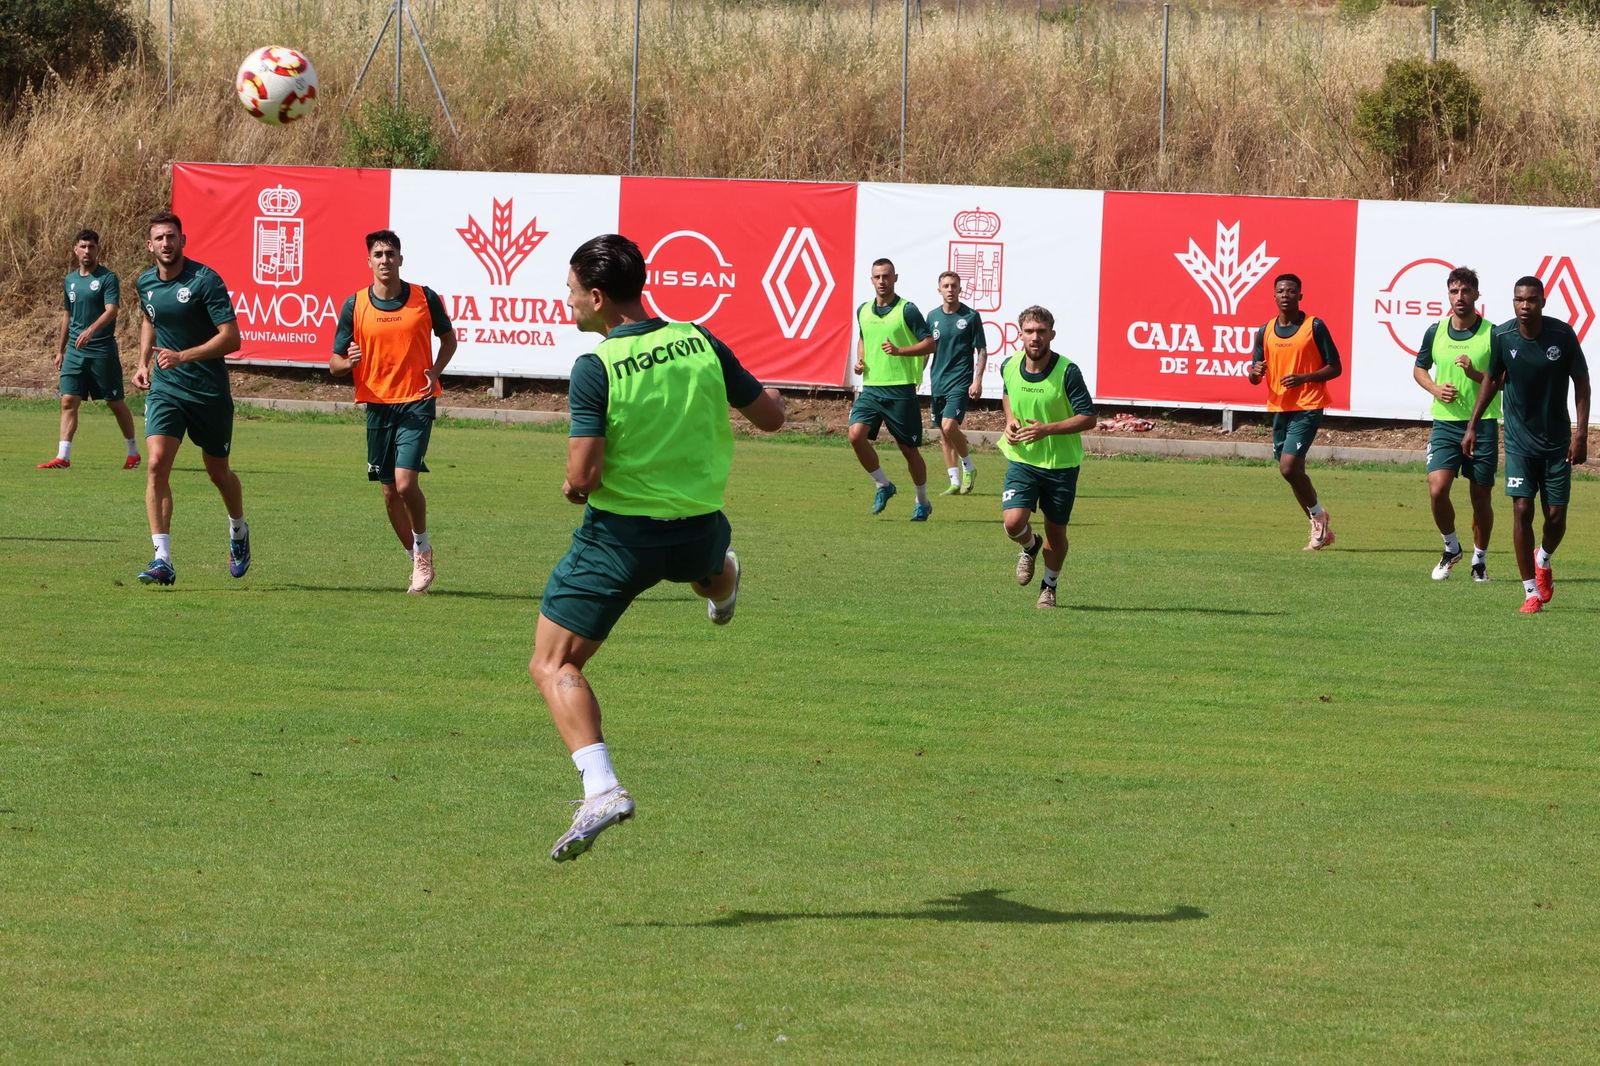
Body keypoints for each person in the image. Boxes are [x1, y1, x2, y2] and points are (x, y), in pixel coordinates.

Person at [530, 234, 786, 862]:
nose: (567, 301)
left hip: (620, 540)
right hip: (699, 529)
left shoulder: (596, 367)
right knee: (708, 571)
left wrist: (572, 485)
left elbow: (585, 476)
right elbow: (771, 417)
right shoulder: (700, 340)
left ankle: (601, 788)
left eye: (570, 291)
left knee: (553, 664)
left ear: (597, 298)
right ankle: (724, 583)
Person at [329, 229, 457, 595]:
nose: (385, 260)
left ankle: (422, 550)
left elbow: (448, 339)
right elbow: (334, 363)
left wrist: (435, 371)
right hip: (377, 405)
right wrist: (348, 362)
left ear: (401, 259)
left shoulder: (424, 298)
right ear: (368, 261)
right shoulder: (355, 305)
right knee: (389, 493)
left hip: (417, 400)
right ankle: (416, 555)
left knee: (405, 483)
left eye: (390, 253)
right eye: (378, 254)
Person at [131, 211, 247, 586]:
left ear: (183, 240)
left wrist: (183, 356)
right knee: (156, 464)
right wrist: (142, 363)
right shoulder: (145, 282)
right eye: (159, 238)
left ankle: (238, 530)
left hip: (208, 391)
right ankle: (162, 559)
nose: (166, 243)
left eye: (171, 237)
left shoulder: (204, 280)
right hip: (166, 389)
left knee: (218, 473)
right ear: (150, 245)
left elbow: (232, 338)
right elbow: (150, 318)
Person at [1462, 276, 1590, 614]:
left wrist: (1581, 434)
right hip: (1519, 442)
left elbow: (1582, 382)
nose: (1524, 305)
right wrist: (1472, 426)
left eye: (1531, 299)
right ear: (1513, 302)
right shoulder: (1502, 336)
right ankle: (1530, 592)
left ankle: (1543, 558)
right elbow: (1492, 379)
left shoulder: (1562, 335)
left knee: (1556, 518)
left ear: (1542, 302)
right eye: (1519, 299)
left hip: (1557, 442)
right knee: (1521, 509)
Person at [999, 306, 1096, 609]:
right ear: (1020, 334)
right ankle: (1030, 545)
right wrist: (1010, 420)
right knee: (1013, 523)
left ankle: (1049, 586)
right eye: (1029, 331)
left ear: (1052, 334)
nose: (1035, 337)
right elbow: (1007, 393)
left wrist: (1047, 430)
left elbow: (1089, 417)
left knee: (1056, 533)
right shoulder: (1009, 365)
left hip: (1060, 465)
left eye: (1041, 331)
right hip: (1022, 459)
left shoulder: (1067, 372)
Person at [1247, 273, 1343, 550]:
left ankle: (1318, 518)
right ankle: (1319, 522)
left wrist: (1305, 378)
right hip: (1280, 407)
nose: (1285, 295)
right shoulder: (1265, 330)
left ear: (1300, 295)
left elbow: (1335, 367)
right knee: (1291, 471)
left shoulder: (1314, 326)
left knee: (1288, 467)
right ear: (1274, 295)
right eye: (1280, 291)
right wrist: (1255, 372)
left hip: (1308, 405)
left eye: (1291, 291)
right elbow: (1254, 375)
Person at [1413, 266, 1496, 581]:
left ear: (1476, 294)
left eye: (1465, 291)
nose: (1459, 297)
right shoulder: (1435, 331)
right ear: (1448, 295)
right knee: (1437, 489)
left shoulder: (1492, 333)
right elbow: (1419, 368)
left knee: (1480, 497)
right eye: (1454, 291)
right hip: (1445, 424)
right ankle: (1451, 548)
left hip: (1483, 424)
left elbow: (1502, 380)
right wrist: (1435, 389)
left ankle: (1479, 561)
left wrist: (1474, 374)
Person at [39, 230, 140, 470]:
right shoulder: (70, 280)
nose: (87, 251)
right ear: (75, 249)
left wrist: (91, 330)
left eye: (91, 246)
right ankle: (63, 457)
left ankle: (133, 453)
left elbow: (112, 310)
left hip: (101, 350)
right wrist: (60, 350)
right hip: (75, 352)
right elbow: (67, 315)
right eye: (83, 246)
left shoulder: (107, 278)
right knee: (68, 400)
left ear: (97, 250)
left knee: (115, 402)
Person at [848, 258, 937, 520]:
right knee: (855, 435)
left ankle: (922, 501)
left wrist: (900, 351)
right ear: (871, 280)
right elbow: (863, 338)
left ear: (895, 278)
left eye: (886, 276)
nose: (882, 281)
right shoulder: (863, 310)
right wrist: (860, 360)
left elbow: (930, 344)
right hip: (872, 389)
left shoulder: (907, 310)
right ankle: (883, 485)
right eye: (877, 277)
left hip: (900, 390)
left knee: (908, 450)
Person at [925, 270, 987, 496]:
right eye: (946, 286)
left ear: (960, 289)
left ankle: (969, 467)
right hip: (937, 381)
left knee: (950, 425)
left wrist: (977, 380)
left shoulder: (970, 316)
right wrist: (917, 376)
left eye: (954, 285)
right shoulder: (932, 316)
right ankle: (953, 480)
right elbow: (926, 349)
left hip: (960, 381)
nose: (950, 289)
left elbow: (981, 350)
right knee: (944, 433)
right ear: (939, 290)